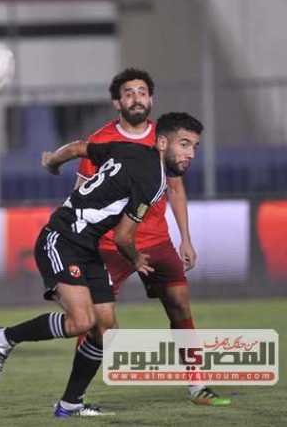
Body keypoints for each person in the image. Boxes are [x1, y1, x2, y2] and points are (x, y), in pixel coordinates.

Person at [0, 112, 203, 418]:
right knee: (81, 322)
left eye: (194, 146)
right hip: (61, 238)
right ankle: (2, 337)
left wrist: (52, 162)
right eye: (184, 144)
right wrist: (136, 258)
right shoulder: (153, 180)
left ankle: (70, 404)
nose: (190, 153)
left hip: (87, 247)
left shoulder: (128, 148)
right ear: (162, 142)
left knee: (105, 327)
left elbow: (76, 149)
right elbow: (125, 237)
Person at [74, 68, 230, 406]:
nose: (136, 98)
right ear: (117, 102)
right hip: (110, 245)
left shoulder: (165, 136)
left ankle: (197, 385)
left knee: (179, 305)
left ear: (151, 98)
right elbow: (82, 194)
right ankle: (77, 396)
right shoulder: (99, 142)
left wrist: (185, 238)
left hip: (157, 241)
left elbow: (175, 187)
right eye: (128, 93)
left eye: (142, 92)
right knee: (97, 321)